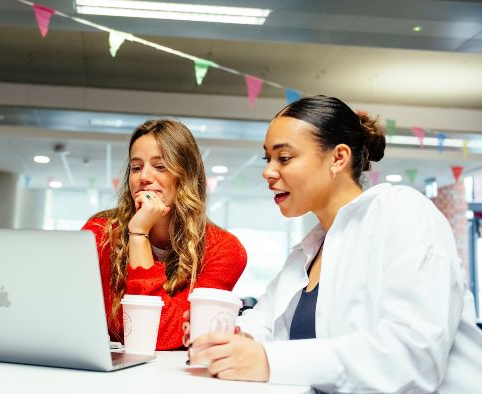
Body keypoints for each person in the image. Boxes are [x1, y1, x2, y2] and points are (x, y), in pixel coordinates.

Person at [186, 95, 482, 393]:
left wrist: (267, 360)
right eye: (268, 159)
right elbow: (261, 326)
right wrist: (220, 337)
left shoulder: (402, 211)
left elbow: (412, 357)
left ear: (338, 158)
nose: (268, 171)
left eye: (284, 158)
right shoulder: (307, 251)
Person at [82, 119, 247, 350]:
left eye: (160, 166)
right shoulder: (100, 232)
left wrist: (139, 235)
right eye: (136, 167)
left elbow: (159, 334)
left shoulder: (224, 249)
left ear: (186, 176)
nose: (143, 177)